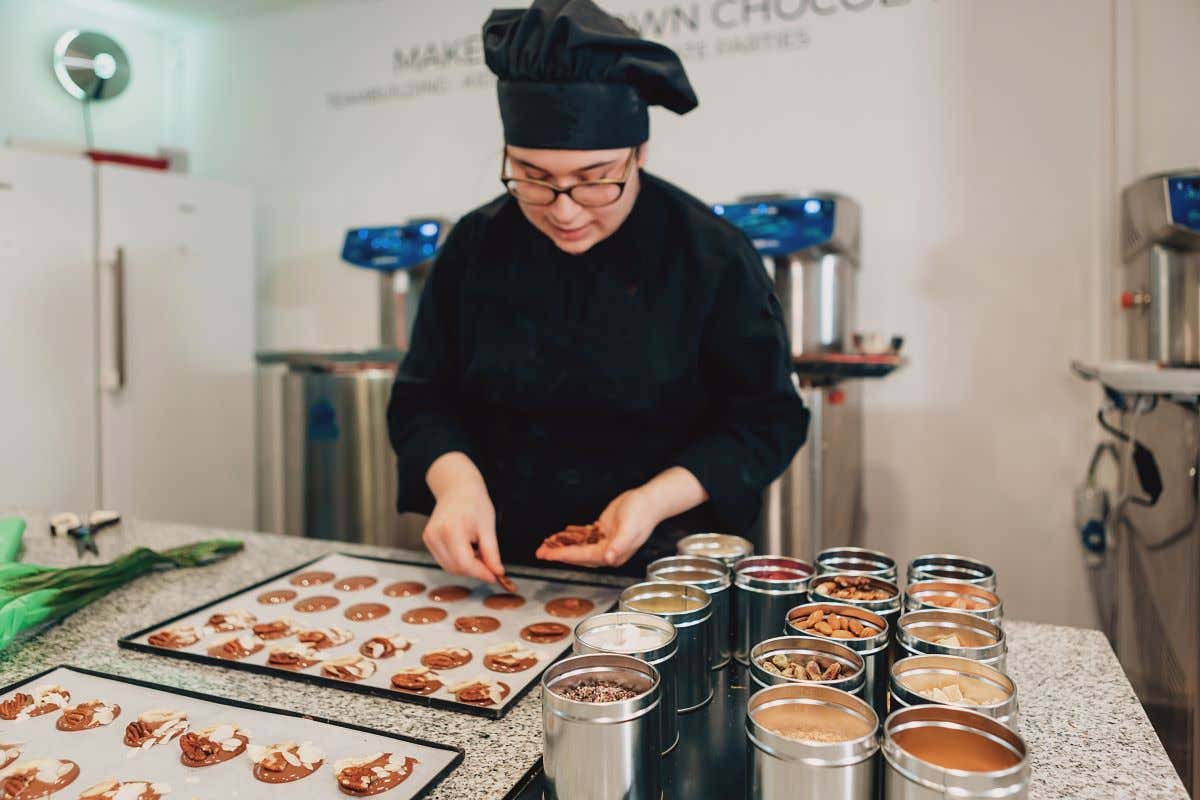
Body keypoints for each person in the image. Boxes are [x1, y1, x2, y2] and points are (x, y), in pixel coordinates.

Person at [387, 0, 809, 583]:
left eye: (594, 180)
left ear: (639, 154)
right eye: (532, 177)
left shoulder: (712, 254)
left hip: (668, 568)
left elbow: (767, 420)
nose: (564, 212)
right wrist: (455, 485)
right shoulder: (474, 245)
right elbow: (421, 400)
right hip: (500, 565)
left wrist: (654, 499)